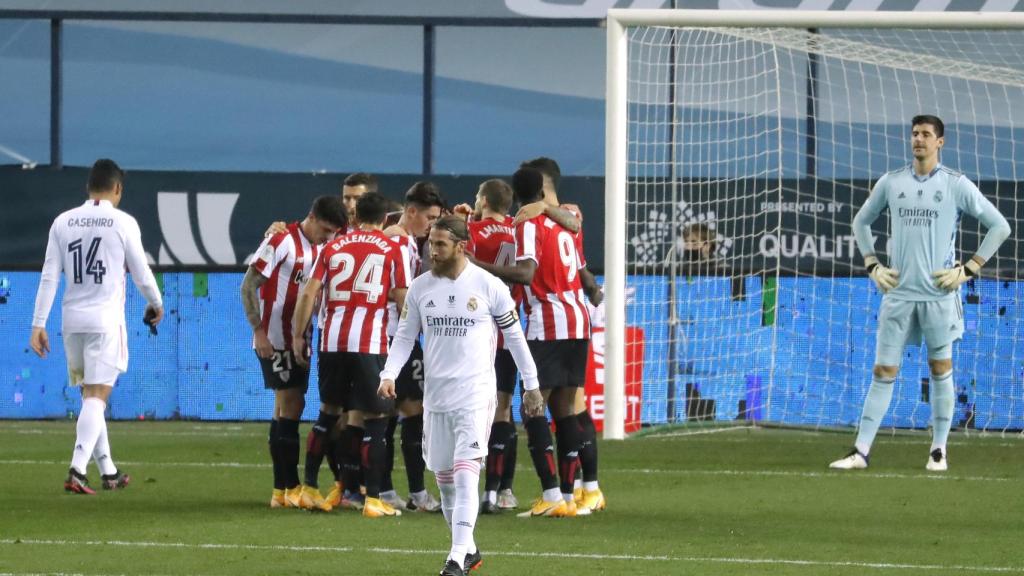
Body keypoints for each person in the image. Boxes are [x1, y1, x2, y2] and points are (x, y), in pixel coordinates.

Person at [830, 114, 1011, 472]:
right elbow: (860, 222)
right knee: (883, 370)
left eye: (926, 134)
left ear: (940, 142)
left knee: (940, 367)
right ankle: (860, 451)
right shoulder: (891, 181)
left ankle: (938, 451)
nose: (919, 140)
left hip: (939, 297)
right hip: (898, 295)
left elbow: (1000, 226)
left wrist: (969, 269)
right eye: (914, 134)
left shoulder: (956, 184)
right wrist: (872, 264)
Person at [378, 215, 544, 576]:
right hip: (435, 397)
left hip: (475, 394)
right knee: (444, 478)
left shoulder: (488, 286)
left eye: (439, 244)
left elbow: (515, 338)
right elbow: (406, 336)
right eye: (429, 243)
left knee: (467, 471)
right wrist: (389, 373)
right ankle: (468, 550)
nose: (431, 250)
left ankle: (455, 559)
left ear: (460, 246)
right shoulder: (421, 287)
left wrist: (531, 385)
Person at [30, 158, 164, 494]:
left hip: (71, 321)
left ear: (88, 186)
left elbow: (49, 276)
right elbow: (141, 272)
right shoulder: (123, 222)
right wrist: (157, 303)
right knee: (97, 397)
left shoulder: (63, 222)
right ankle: (77, 469)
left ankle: (109, 471)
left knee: (91, 396)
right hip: (105, 321)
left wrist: (38, 324)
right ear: (117, 188)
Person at [473, 167, 592, 518]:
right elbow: (573, 227)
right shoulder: (566, 219)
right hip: (578, 319)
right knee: (566, 409)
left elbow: (525, 272)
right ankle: (568, 498)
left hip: (548, 321)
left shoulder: (527, 223)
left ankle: (552, 494)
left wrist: (476, 264)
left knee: (531, 407)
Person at [292, 193, 409, 518]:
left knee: (328, 413)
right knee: (375, 421)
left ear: (355, 217)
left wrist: (298, 335)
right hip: (370, 344)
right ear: (385, 219)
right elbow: (403, 298)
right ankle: (372, 498)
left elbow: (309, 292)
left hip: (331, 342)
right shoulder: (392, 249)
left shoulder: (332, 247)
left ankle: (310, 488)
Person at [241, 195, 346, 509]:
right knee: (291, 404)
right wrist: (258, 331)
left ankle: (281, 491)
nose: (328, 237)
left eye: (333, 233)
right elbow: (248, 286)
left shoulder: (321, 246)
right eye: (325, 230)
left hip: (303, 336)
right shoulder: (282, 241)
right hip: (277, 336)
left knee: (287, 407)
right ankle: (290, 486)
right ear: (311, 217)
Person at [454, 179, 522, 514]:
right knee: (504, 409)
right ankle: (499, 491)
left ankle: (467, 486)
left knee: (468, 408)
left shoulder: (473, 233)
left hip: (475, 332)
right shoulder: (517, 230)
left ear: (482, 199)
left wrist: (464, 220)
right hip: (509, 330)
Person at [377, 181, 446, 512]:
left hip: (394, 335)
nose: (431, 225)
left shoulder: (402, 237)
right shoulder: (397, 240)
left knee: (397, 412)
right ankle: (405, 492)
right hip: (393, 336)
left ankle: (389, 490)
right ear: (412, 212)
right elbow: (400, 293)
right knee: (407, 411)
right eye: (429, 217)